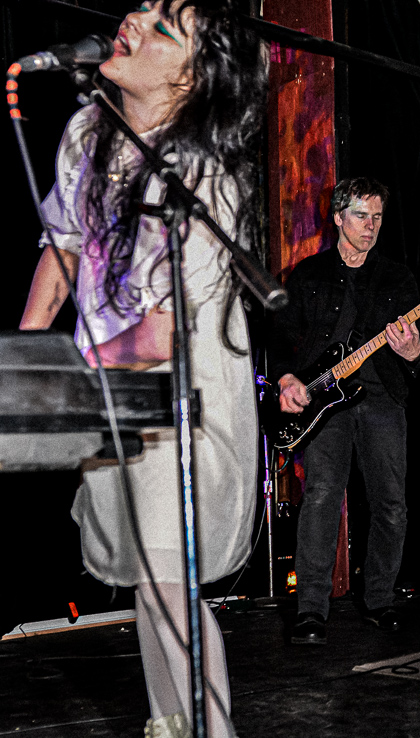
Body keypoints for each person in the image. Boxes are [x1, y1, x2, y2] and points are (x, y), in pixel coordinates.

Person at [18, 2, 265, 736]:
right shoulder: (87, 131)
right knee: (152, 586)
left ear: (191, 79)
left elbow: (161, 334)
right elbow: (63, 245)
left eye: (162, 27)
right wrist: (27, 353)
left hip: (183, 401)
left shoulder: (204, 178)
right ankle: (172, 725)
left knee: (165, 584)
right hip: (112, 392)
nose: (134, 18)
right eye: (143, 8)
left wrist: (63, 369)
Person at [268, 176, 420, 642]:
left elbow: (415, 352)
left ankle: (380, 599)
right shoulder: (308, 275)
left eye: (377, 217)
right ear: (337, 217)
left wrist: (412, 351)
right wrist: (287, 378)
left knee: (391, 503)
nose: (370, 226)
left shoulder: (397, 278)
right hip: (324, 403)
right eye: (360, 215)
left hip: (381, 398)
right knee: (321, 497)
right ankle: (311, 609)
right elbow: (280, 337)